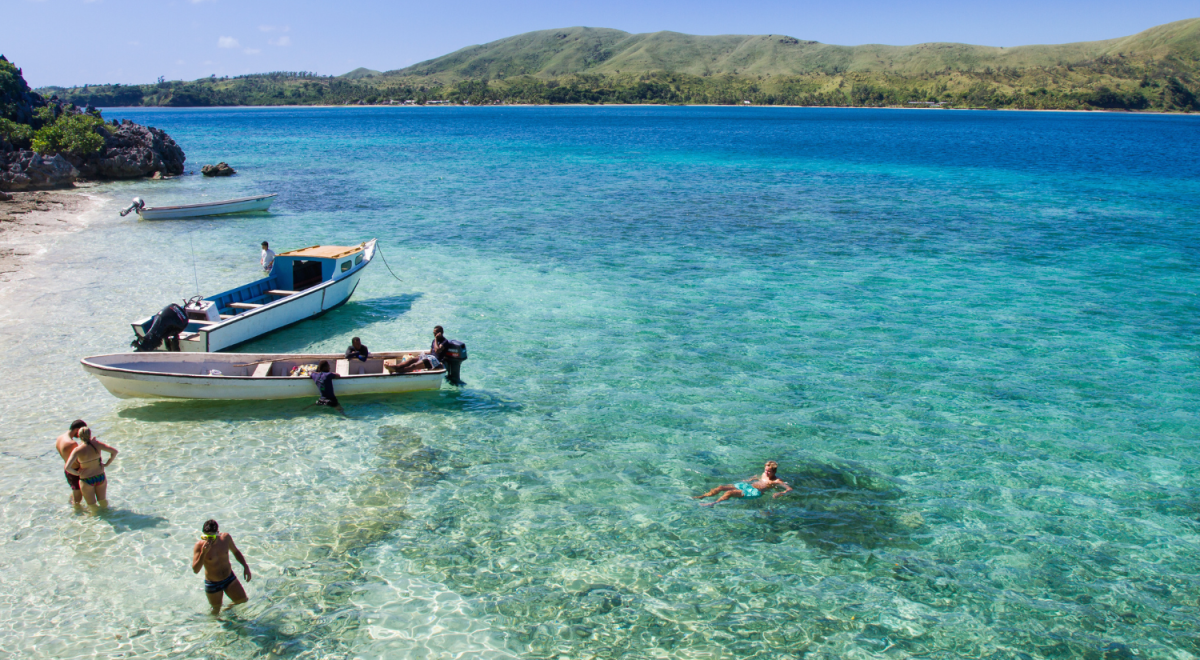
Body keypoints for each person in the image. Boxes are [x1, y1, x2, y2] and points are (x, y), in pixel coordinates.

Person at [191, 519, 252, 615]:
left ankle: (227, 610)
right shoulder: (199, 546)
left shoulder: (226, 538)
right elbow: (195, 570)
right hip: (213, 583)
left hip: (229, 578)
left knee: (243, 600)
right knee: (215, 611)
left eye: (212, 536)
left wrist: (245, 566)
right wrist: (203, 553)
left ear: (218, 533)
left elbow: (236, 552)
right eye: (207, 536)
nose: (209, 540)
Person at [693, 460, 792, 507]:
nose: (766, 472)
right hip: (749, 486)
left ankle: (713, 503)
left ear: (774, 472)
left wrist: (780, 493)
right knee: (721, 487)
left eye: (769, 471)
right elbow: (757, 477)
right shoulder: (764, 474)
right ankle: (702, 496)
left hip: (755, 492)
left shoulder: (776, 480)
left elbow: (789, 489)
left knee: (729, 493)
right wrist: (749, 480)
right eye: (765, 470)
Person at [63, 426, 118, 510]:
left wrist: (77, 473)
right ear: (90, 434)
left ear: (79, 436)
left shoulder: (77, 450)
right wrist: (106, 464)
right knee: (103, 502)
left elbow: (67, 467)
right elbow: (114, 452)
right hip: (100, 476)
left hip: (86, 479)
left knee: (92, 506)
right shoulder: (97, 444)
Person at [55, 419, 89, 507]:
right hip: (75, 471)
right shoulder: (71, 443)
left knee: (74, 490)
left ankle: (71, 503)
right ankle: (77, 511)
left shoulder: (60, 438)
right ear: (77, 430)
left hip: (67, 470)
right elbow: (80, 459)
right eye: (81, 431)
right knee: (78, 497)